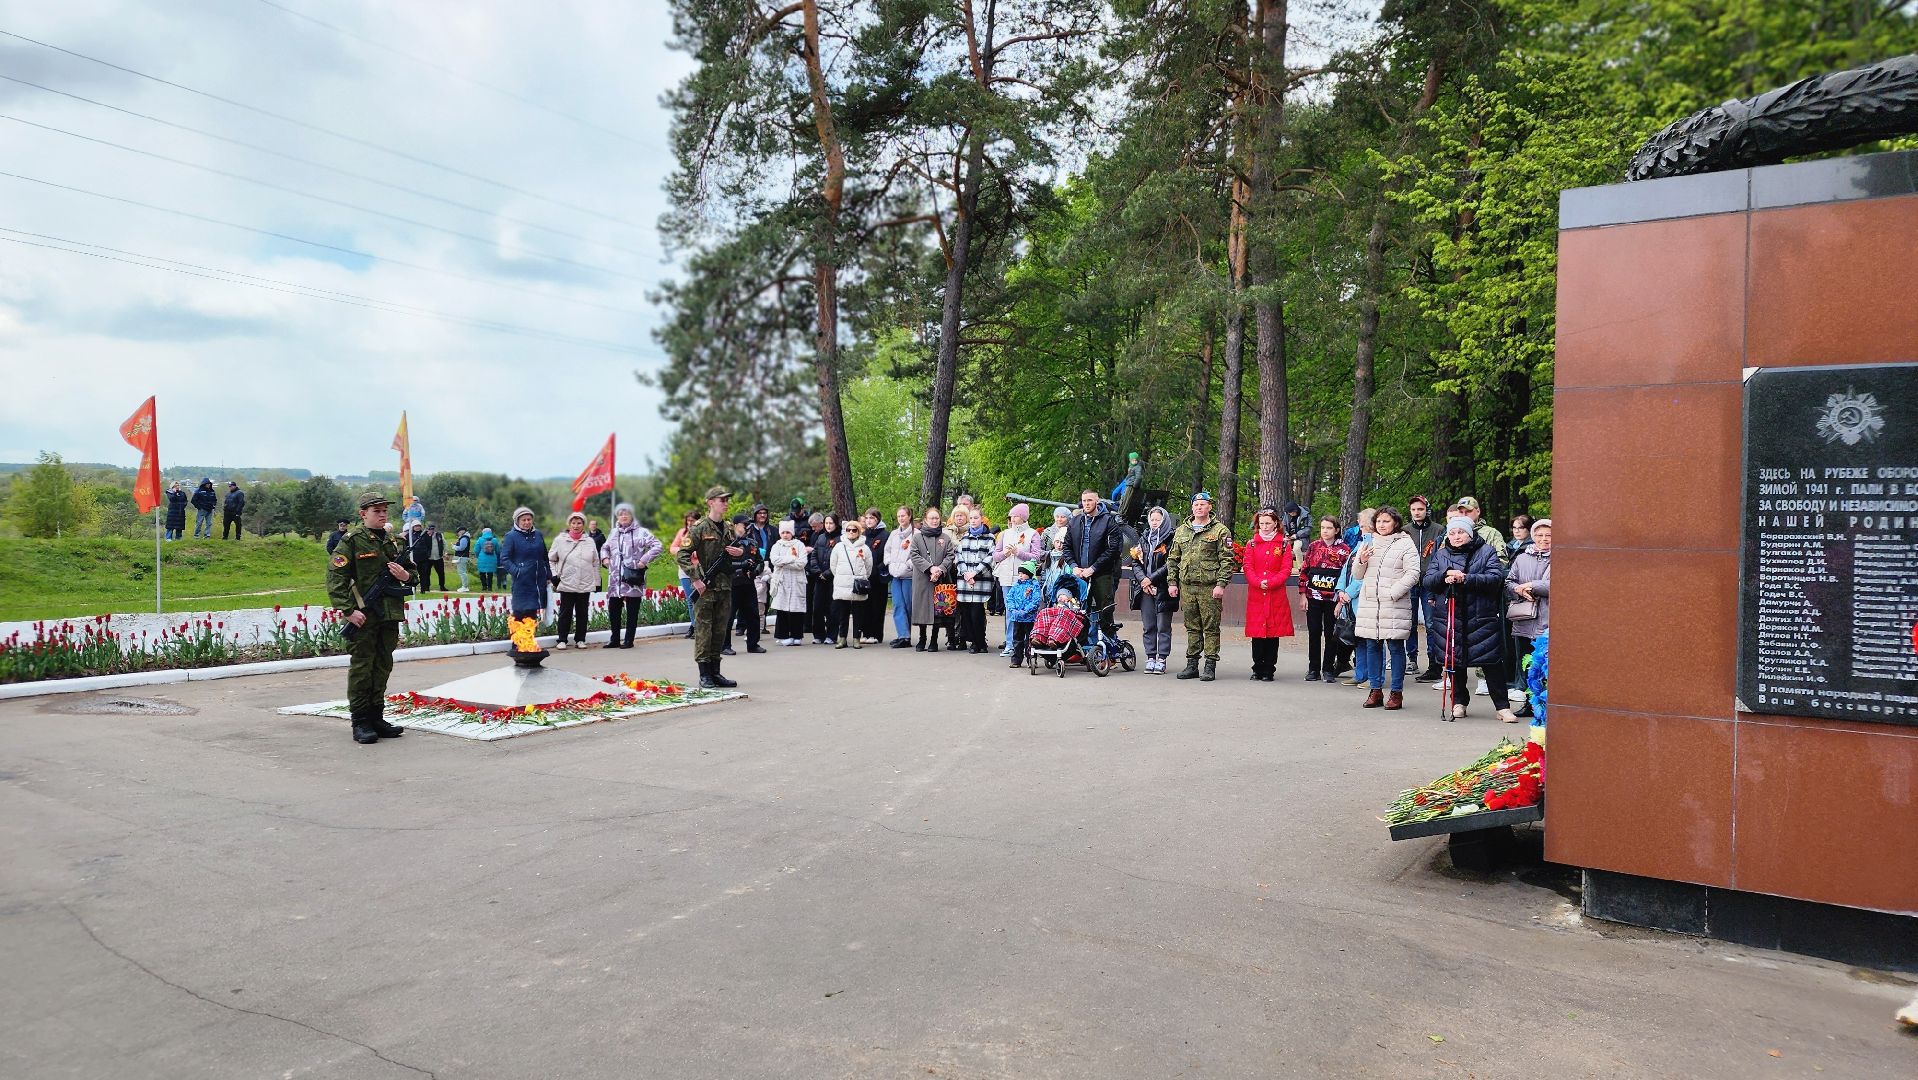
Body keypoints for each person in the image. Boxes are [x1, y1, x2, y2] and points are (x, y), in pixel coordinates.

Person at [326, 491, 414, 744]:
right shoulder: (351, 542)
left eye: (385, 510)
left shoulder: (394, 542)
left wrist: (404, 577)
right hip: (363, 617)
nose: (382, 515)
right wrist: (348, 610)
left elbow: (413, 576)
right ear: (363, 514)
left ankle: (377, 716)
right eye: (377, 511)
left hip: (389, 615)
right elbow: (336, 578)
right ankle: (361, 721)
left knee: (383, 665)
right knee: (363, 668)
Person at [1424, 513, 1516, 722]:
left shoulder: (1486, 551)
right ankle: (1459, 703)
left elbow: (1496, 578)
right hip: (1450, 614)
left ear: (1470, 533)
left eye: (1461, 532)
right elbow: (1428, 580)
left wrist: (1467, 578)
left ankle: (1502, 707)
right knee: (1455, 663)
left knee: (1491, 663)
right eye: (1453, 533)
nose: (1456, 536)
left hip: (1480, 615)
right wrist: (1444, 575)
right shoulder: (1440, 555)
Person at [1353, 505, 1419, 710]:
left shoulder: (1405, 543)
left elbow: (1413, 573)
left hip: (1394, 604)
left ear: (1395, 523)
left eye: (1386, 521)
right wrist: (1361, 561)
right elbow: (1357, 574)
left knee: (1395, 647)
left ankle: (1396, 693)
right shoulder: (1368, 541)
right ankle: (1375, 690)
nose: (1382, 525)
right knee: (1372, 646)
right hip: (1371, 604)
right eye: (1379, 521)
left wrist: (1393, 592)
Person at [1167, 491, 1237, 681]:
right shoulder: (1182, 530)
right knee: (1192, 627)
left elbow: (1227, 560)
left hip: (1209, 586)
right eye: (1196, 505)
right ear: (1192, 508)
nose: (1199, 507)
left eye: (1203, 504)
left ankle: (1210, 665)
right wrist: (1172, 582)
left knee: (1211, 627)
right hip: (1187, 586)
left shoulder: (1220, 531)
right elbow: (1173, 559)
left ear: (1209, 507)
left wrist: (1221, 584)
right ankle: (1192, 665)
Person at [676, 487, 741, 688]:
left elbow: (737, 550)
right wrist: (696, 579)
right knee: (704, 631)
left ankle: (716, 672)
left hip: (724, 587)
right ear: (710, 502)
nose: (726, 503)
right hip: (705, 587)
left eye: (727, 500)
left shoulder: (729, 528)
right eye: (722, 500)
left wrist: (739, 552)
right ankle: (704, 674)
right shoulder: (699, 527)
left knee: (720, 631)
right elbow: (682, 554)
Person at [1242, 507, 1297, 682]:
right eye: (1261, 523)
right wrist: (1258, 582)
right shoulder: (1251, 544)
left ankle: (1269, 669)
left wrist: (1271, 582)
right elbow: (1248, 567)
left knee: (1273, 633)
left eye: (1268, 523)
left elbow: (1286, 569)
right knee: (1257, 633)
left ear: (1275, 524)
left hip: (1276, 594)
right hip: (1257, 595)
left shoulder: (1283, 545)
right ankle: (1257, 667)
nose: (1264, 527)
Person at [1066, 489, 1124, 647]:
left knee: (1105, 611)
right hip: (1080, 574)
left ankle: (1110, 648)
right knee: (1079, 611)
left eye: (1090, 500)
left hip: (1102, 574)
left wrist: (1094, 568)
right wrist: (1073, 566)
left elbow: (1113, 550)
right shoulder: (1075, 521)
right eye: (1084, 501)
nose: (1086, 504)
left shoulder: (1108, 521)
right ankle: (1081, 649)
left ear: (1097, 502)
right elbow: (1067, 547)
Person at [600, 503, 662, 649]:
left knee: (632, 610)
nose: (623, 516)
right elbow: (605, 547)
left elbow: (657, 545)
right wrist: (605, 559)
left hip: (633, 576)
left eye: (626, 513)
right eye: (620, 514)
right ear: (617, 517)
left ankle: (629, 640)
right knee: (613, 608)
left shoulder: (641, 532)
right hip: (615, 578)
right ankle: (614, 639)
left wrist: (643, 561)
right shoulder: (614, 532)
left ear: (632, 515)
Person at [1505, 517, 1551, 711]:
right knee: (1526, 664)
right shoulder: (1522, 557)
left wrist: (1532, 585)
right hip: (1524, 620)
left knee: (1545, 665)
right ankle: (1530, 703)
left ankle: (1547, 704)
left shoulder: (1563, 557)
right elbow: (1509, 581)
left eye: (1548, 535)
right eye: (1539, 535)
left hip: (1548, 619)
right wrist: (1519, 590)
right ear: (1533, 536)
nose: (1544, 539)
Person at [1299, 516, 1350, 682]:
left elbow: (1347, 576)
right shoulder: (1313, 547)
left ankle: (1328, 668)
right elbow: (1304, 571)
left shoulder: (1344, 550)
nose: (1325, 531)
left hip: (1333, 600)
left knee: (1331, 634)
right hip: (1313, 597)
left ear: (1336, 530)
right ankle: (1313, 669)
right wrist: (1302, 595)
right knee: (1314, 632)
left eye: (1329, 528)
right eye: (1322, 528)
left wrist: (1341, 601)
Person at [1127, 505, 1178, 674]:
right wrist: (1143, 580)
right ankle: (1150, 657)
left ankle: (1162, 658)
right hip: (1145, 589)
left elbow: (1170, 563)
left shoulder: (1171, 538)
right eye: (1152, 519)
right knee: (1148, 625)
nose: (1155, 522)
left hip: (1163, 588)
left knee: (1163, 625)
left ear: (1164, 521)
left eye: (1158, 520)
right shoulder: (1144, 537)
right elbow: (1135, 561)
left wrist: (1152, 578)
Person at [1336, 508, 1378, 688]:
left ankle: (1375, 677)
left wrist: (1349, 592)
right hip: (1350, 600)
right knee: (1358, 639)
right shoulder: (1361, 543)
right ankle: (1360, 674)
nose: (1360, 529)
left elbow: (1367, 575)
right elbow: (1347, 569)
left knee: (1371, 641)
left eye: (1363, 526)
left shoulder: (1374, 545)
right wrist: (1340, 590)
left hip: (1364, 599)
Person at [992, 504, 1040, 655]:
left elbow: (1036, 556)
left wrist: (1018, 553)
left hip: (1025, 579)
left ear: (1023, 517)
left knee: (1026, 610)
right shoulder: (1005, 533)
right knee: (1010, 610)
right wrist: (1005, 554)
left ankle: (1027, 643)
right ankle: (1010, 644)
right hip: (1006, 577)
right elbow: (996, 555)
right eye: (1011, 516)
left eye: (1016, 516)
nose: (1012, 519)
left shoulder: (1032, 534)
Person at [545, 512, 597, 650]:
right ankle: (562, 639)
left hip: (585, 582)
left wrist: (596, 582)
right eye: (573, 523)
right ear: (569, 524)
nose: (576, 526)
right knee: (565, 612)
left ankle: (580, 639)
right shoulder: (560, 540)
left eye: (579, 523)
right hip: (567, 582)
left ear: (583, 525)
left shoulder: (590, 541)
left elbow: (595, 562)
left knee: (582, 613)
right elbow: (550, 559)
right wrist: (554, 575)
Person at [907, 507, 955, 652]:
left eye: (936, 518)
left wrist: (940, 569)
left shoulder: (945, 538)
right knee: (922, 609)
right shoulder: (917, 537)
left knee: (937, 610)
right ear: (925, 520)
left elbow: (950, 556)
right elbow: (914, 555)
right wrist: (930, 568)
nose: (934, 521)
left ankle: (934, 639)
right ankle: (922, 638)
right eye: (931, 518)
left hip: (940, 579)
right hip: (922, 579)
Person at [1405, 496, 1442, 682]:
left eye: (1420, 509)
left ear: (1426, 509)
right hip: (1410, 582)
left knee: (1430, 623)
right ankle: (1411, 659)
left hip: (1430, 583)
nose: (1417, 512)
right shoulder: (1405, 531)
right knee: (1409, 622)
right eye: (1413, 509)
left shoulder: (1438, 530)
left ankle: (1434, 663)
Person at [499, 505, 549, 633]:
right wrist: (517, 571)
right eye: (524, 520)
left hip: (537, 581)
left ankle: (529, 642)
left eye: (529, 519)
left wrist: (548, 574)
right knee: (520, 612)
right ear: (517, 521)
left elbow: (544, 556)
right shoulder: (511, 536)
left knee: (532, 613)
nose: (527, 522)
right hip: (521, 581)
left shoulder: (538, 534)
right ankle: (517, 644)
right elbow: (504, 558)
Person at [828, 517, 874, 649]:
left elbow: (869, 566)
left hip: (858, 585)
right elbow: (833, 565)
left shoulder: (865, 548)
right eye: (848, 529)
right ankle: (842, 638)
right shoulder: (838, 546)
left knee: (859, 614)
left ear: (859, 532)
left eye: (854, 530)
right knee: (843, 614)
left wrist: (861, 577)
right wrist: (842, 577)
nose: (851, 532)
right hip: (842, 584)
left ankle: (856, 639)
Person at [954, 511, 995, 653]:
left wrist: (975, 572)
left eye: (976, 518)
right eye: (971, 518)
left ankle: (980, 641)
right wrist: (966, 573)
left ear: (982, 519)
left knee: (977, 613)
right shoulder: (965, 537)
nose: (973, 520)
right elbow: (958, 556)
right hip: (965, 581)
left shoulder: (989, 538)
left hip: (980, 580)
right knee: (966, 613)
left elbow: (991, 557)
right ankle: (973, 642)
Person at [724, 514, 766, 655]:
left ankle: (753, 644)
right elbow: (725, 564)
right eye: (744, 525)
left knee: (753, 614)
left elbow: (760, 561)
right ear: (736, 525)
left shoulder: (752, 543)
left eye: (749, 525)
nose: (747, 528)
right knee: (729, 616)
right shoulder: (728, 542)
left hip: (748, 583)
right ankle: (724, 646)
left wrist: (754, 571)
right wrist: (741, 566)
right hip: (732, 584)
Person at [768, 520, 810, 645]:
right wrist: (791, 559)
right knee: (782, 609)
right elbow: (774, 560)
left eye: (788, 532)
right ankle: (783, 635)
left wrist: (784, 563)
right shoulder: (777, 545)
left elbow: (802, 563)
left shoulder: (799, 545)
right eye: (783, 532)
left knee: (797, 609)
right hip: (782, 581)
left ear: (792, 533)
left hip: (797, 581)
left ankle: (797, 635)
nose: (785, 535)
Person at [856, 508, 890, 644]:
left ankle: (876, 635)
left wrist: (877, 569)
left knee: (877, 606)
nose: (869, 521)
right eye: (867, 518)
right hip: (865, 576)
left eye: (872, 518)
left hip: (878, 577)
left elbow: (886, 555)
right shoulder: (863, 536)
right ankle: (866, 632)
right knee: (865, 605)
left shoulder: (885, 535)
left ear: (878, 520)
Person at [884, 505, 916, 647]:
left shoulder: (917, 535)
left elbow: (919, 554)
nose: (901, 518)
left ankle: (906, 635)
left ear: (909, 516)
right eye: (899, 516)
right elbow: (887, 551)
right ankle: (902, 635)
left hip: (909, 576)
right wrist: (889, 563)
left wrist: (907, 565)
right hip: (895, 576)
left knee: (908, 605)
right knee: (898, 605)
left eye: (903, 515)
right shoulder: (894, 534)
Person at [809, 513, 841, 645]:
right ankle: (818, 634)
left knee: (832, 608)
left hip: (833, 578)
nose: (828, 526)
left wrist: (827, 573)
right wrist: (817, 572)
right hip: (819, 578)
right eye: (826, 523)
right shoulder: (820, 537)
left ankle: (832, 635)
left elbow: (840, 561)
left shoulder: (841, 539)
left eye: (831, 523)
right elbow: (814, 556)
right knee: (817, 607)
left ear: (836, 524)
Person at [1004, 561, 1042, 667]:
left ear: (1029, 574)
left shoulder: (1034, 585)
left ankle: (1031, 658)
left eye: (1022, 573)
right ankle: (1016, 659)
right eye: (1019, 573)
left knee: (1029, 640)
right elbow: (1009, 597)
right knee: (1017, 639)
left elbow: (1036, 600)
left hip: (1029, 618)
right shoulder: (1016, 585)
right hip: (1017, 618)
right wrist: (1013, 609)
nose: (1020, 575)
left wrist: (1026, 610)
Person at [669, 511, 699, 639]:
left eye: (693, 520)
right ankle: (694, 626)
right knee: (690, 600)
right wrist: (683, 551)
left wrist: (696, 553)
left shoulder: (703, 532)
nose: (690, 523)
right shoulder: (682, 533)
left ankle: (700, 626)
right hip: (685, 570)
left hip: (699, 569)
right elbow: (673, 548)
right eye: (688, 521)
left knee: (700, 599)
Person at [1456, 496, 1509, 568]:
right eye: (1461, 512)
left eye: (1468, 511)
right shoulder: (1451, 534)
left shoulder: (1491, 534)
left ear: (1478, 511)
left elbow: (1502, 561)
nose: (1464, 515)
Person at [422, 525, 448, 592]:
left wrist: (445, 552)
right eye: (430, 529)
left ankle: (442, 586)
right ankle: (427, 587)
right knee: (427, 573)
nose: (431, 530)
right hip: (428, 557)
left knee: (441, 573)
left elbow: (444, 544)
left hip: (438, 557)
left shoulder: (439, 535)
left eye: (432, 529)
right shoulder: (424, 535)